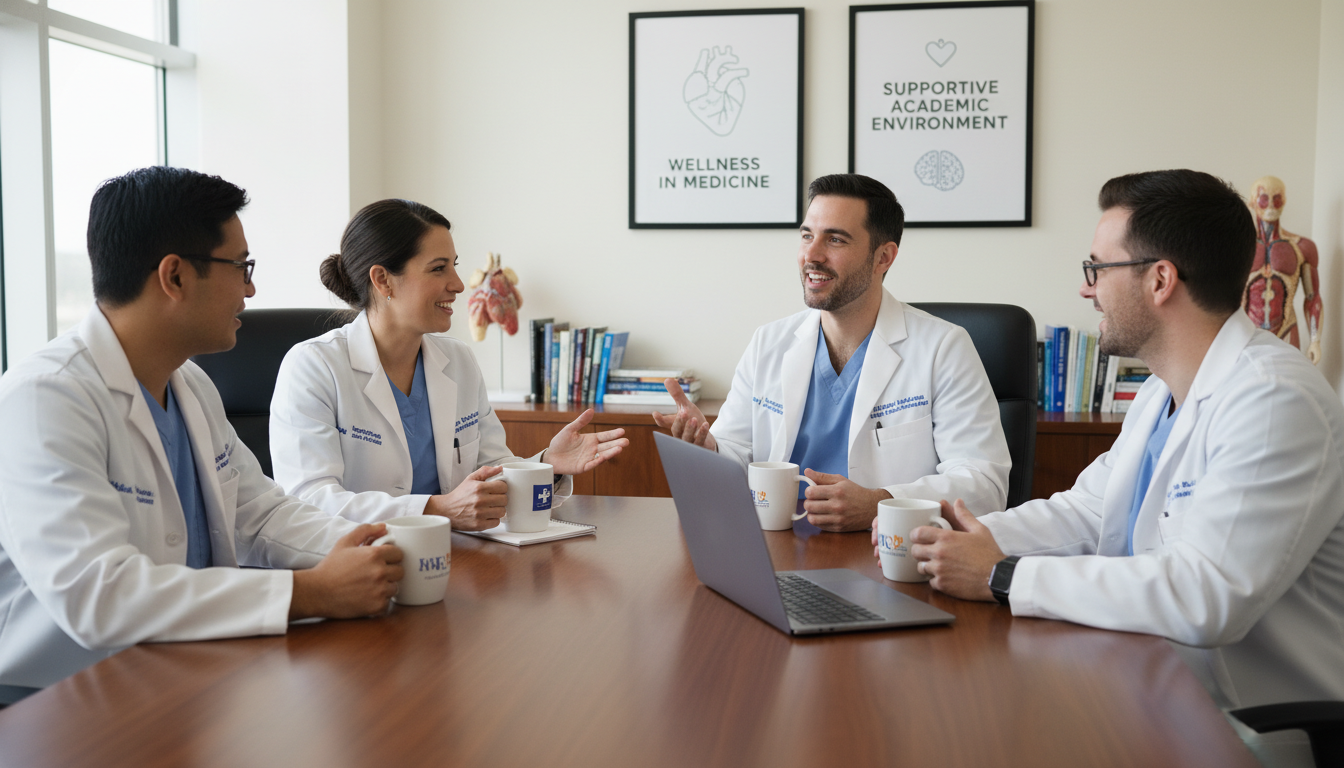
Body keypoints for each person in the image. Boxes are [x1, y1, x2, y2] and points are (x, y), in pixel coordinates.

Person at [896, 169, 1344, 767]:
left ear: (1160, 279)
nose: (1086, 289)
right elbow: (1087, 509)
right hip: (1149, 678)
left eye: (1096, 269)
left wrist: (1002, 577)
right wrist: (956, 540)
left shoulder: (1274, 399)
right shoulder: (1163, 390)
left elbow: (1206, 595)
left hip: (1249, 724)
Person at [0, 167, 405, 703]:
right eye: (241, 267)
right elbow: (99, 595)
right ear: (175, 277)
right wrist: (311, 592)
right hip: (59, 696)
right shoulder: (44, 397)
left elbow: (261, 512)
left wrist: (376, 548)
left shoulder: (188, 382)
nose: (251, 288)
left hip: (181, 667)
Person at [656, 174, 1010, 532]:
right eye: (807, 235)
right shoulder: (769, 343)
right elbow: (737, 450)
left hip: (887, 554)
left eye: (835, 239)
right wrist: (709, 447)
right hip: (775, 547)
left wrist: (880, 503)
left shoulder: (943, 347)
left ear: (883, 257)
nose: (811, 255)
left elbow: (984, 484)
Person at [269, 199, 628, 529]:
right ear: (382, 280)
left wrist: (546, 465)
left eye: (453, 267)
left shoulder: (458, 361)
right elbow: (308, 501)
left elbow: (490, 474)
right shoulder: (314, 367)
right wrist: (435, 510)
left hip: (454, 558)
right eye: (438, 269)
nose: (457, 284)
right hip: (359, 563)